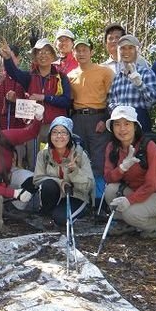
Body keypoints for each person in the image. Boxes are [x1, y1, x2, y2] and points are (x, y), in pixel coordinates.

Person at [0, 38, 71, 167]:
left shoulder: (61, 77)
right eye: (39, 52)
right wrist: (8, 58)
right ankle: (35, 182)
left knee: (57, 160)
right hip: (34, 126)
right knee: (34, 161)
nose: (43, 55)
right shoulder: (29, 77)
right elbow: (14, 73)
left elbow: (66, 101)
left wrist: (44, 97)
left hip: (54, 125)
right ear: (35, 56)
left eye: (47, 52)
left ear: (53, 55)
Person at [104, 105, 156, 238]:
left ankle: (154, 224)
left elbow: (152, 184)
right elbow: (108, 178)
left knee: (130, 213)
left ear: (135, 126)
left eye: (127, 124)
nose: (122, 129)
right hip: (135, 190)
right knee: (111, 190)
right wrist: (123, 167)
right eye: (117, 124)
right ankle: (127, 224)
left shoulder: (149, 146)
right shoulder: (112, 147)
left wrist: (130, 200)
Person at [67, 38, 115, 204]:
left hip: (98, 118)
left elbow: (113, 97)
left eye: (85, 50)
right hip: (78, 118)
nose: (81, 53)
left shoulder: (105, 71)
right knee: (78, 156)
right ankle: (82, 197)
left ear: (91, 52)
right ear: (73, 53)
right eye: (78, 50)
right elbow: (69, 100)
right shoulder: (70, 75)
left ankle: (100, 199)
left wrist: (107, 118)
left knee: (99, 158)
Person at [31, 116, 94, 226]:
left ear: (70, 136)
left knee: (60, 219)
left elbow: (89, 187)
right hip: (57, 195)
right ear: (50, 135)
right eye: (55, 132)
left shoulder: (80, 155)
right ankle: (48, 213)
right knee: (48, 185)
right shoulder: (44, 155)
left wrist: (74, 171)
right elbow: (37, 178)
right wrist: (60, 183)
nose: (59, 136)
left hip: (77, 195)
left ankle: (76, 212)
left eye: (63, 132)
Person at [107, 34, 156, 132]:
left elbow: (154, 99)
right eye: (123, 48)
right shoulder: (118, 77)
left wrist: (140, 85)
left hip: (140, 120)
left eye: (130, 48)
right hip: (120, 121)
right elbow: (111, 101)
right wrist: (119, 110)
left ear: (136, 50)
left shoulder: (146, 72)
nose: (126, 51)